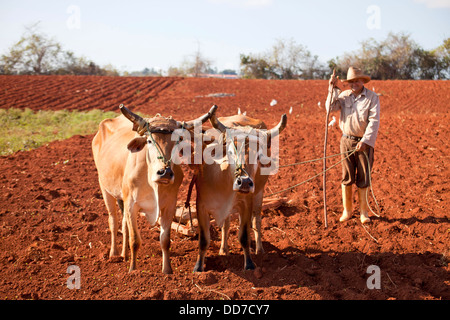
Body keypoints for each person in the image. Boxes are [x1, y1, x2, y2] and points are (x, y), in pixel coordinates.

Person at [325, 67, 380, 224]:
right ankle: (347, 211)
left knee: (363, 176)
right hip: (346, 140)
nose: (354, 84)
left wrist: (366, 141)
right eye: (351, 82)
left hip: (364, 142)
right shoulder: (343, 96)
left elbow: (374, 121)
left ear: (362, 81)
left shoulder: (372, 98)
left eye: (356, 81)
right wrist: (332, 88)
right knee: (347, 176)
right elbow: (330, 108)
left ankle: (364, 212)